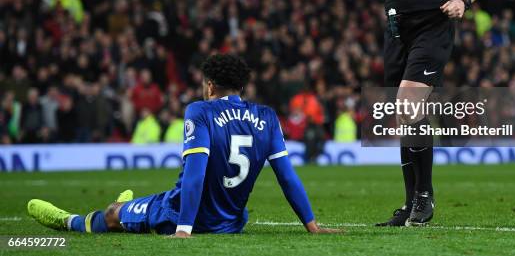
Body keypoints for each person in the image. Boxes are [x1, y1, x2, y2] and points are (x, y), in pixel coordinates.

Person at [319, 0, 482, 226]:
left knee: (409, 103)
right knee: (405, 116)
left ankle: (425, 197)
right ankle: (410, 204)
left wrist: (463, 2)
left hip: (434, 26)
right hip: (395, 32)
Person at [27, 54, 339, 236]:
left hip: (177, 213)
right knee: (134, 205)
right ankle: (128, 203)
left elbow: (195, 173)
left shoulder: (200, 111)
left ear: (211, 86)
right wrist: (310, 225)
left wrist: (184, 229)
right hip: (230, 223)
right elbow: (287, 176)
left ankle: (68, 221)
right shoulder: (267, 117)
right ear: (242, 86)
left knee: (112, 214)